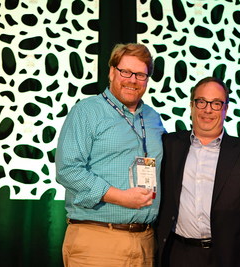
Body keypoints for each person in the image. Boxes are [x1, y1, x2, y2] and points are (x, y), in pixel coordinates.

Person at [55, 43, 165, 267]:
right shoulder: (87, 111)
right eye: (126, 72)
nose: (132, 80)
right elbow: (67, 170)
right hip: (98, 239)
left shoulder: (153, 118)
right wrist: (120, 197)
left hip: (145, 242)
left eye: (140, 75)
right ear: (112, 72)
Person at [156, 77, 240, 267]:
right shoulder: (169, 145)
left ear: (225, 109)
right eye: (201, 101)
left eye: (216, 103)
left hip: (230, 257)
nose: (208, 109)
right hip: (177, 254)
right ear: (191, 105)